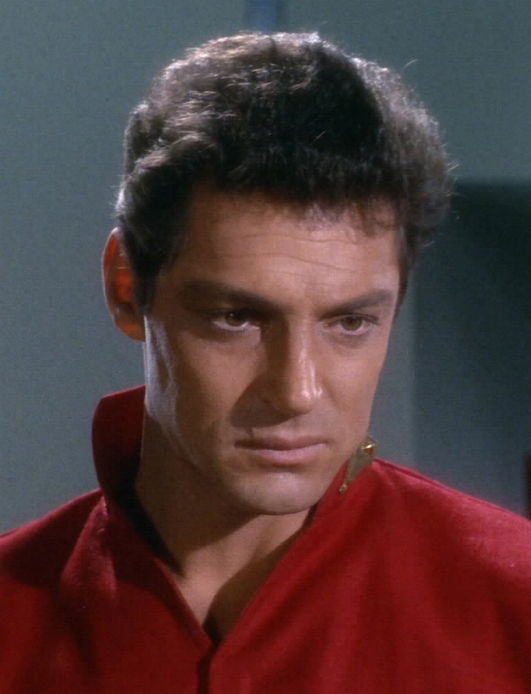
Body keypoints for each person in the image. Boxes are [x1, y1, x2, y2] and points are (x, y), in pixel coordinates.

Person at [1, 31, 530, 693]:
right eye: (237, 317)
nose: (296, 391)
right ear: (127, 288)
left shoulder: (515, 607)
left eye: (350, 322)